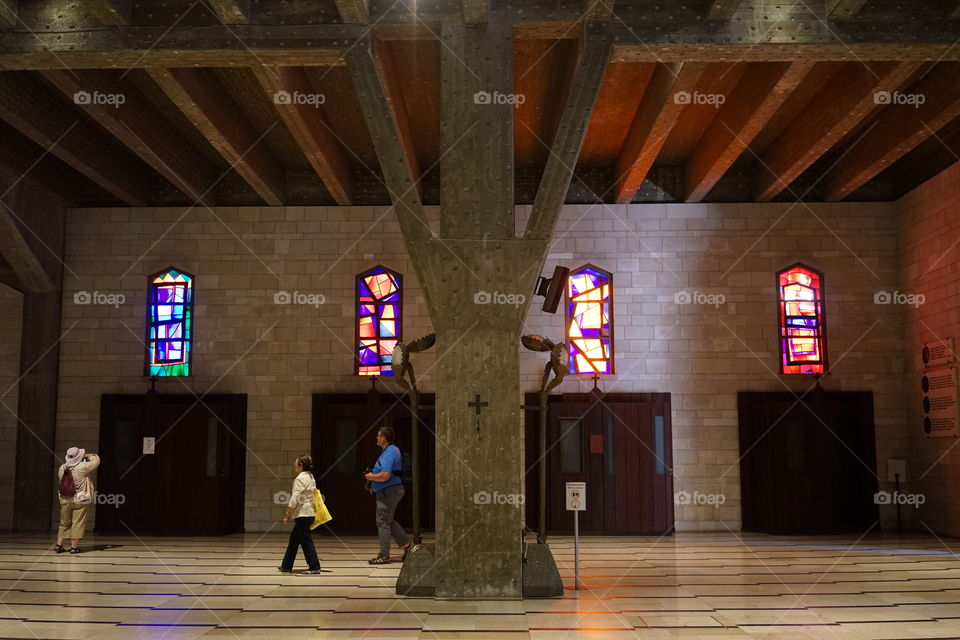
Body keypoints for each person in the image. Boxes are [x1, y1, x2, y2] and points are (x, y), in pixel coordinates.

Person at [364, 426, 411, 565]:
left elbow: (385, 475)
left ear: (384, 438)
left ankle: (383, 556)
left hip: (389, 491)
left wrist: (371, 477)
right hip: (389, 490)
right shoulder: (389, 451)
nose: (377, 438)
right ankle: (407, 544)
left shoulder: (390, 452)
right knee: (387, 520)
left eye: (378, 436)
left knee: (383, 522)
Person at [279, 455, 322, 574]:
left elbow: (295, 498)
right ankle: (286, 565)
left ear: (301, 465)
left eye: (296, 463)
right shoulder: (310, 477)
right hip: (309, 512)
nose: (294, 465)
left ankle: (314, 566)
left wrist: (287, 514)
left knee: (305, 540)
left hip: (302, 513)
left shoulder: (300, 479)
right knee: (294, 540)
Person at [56, 447, 100, 554]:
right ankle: (74, 547)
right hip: (80, 499)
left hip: (64, 498)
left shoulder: (62, 468)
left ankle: (59, 545)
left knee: (64, 522)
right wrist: (88, 455)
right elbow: (97, 460)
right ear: (78, 457)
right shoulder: (82, 467)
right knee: (78, 522)